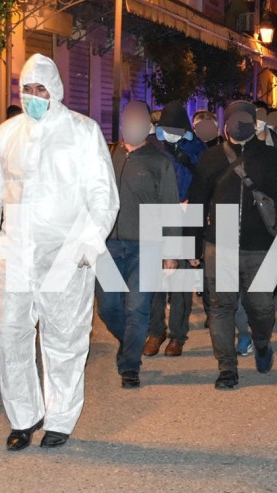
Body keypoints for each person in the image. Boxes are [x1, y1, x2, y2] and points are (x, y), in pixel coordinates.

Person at [0, 54, 119, 450]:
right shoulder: (8, 133)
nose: (33, 97)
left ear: (55, 90)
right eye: (27, 89)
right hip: (16, 250)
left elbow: (102, 193)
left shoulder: (82, 131)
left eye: (40, 89)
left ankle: (60, 419)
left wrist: (89, 241)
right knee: (9, 335)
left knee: (64, 338)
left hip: (65, 252)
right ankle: (24, 417)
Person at [192, 100, 277, 389]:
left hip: (261, 245)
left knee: (262, 307)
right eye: (233, 119)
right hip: (220, 243)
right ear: (226, 125)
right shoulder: (211, 158)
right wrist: (193, 246)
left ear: (254, 124)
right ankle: (227, 368)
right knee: (221, 307)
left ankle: (262, 343)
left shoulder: (273, 157)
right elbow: (197, 202)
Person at [95, 101, 179, 389]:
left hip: (146, 247)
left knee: (138, 307)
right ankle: (129, 340)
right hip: (107, 246)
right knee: (108, 307)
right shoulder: (108, 156)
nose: (132, 123)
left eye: (138, 118)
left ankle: (130, 365)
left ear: (148, 125)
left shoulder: (160, 161)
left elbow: (170, 207)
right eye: (128, 118)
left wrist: (171, 252)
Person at [144, 101, 206, 357]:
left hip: (186, 216)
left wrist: (194, 202)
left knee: (181, 281)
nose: (171, 134)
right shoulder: (150, 145)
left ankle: (178, 336)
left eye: (176, 130)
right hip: (154, 217)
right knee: (155, 279)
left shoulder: (197, 148)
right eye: (167, 129)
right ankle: (155, 331)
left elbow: (204, 181)